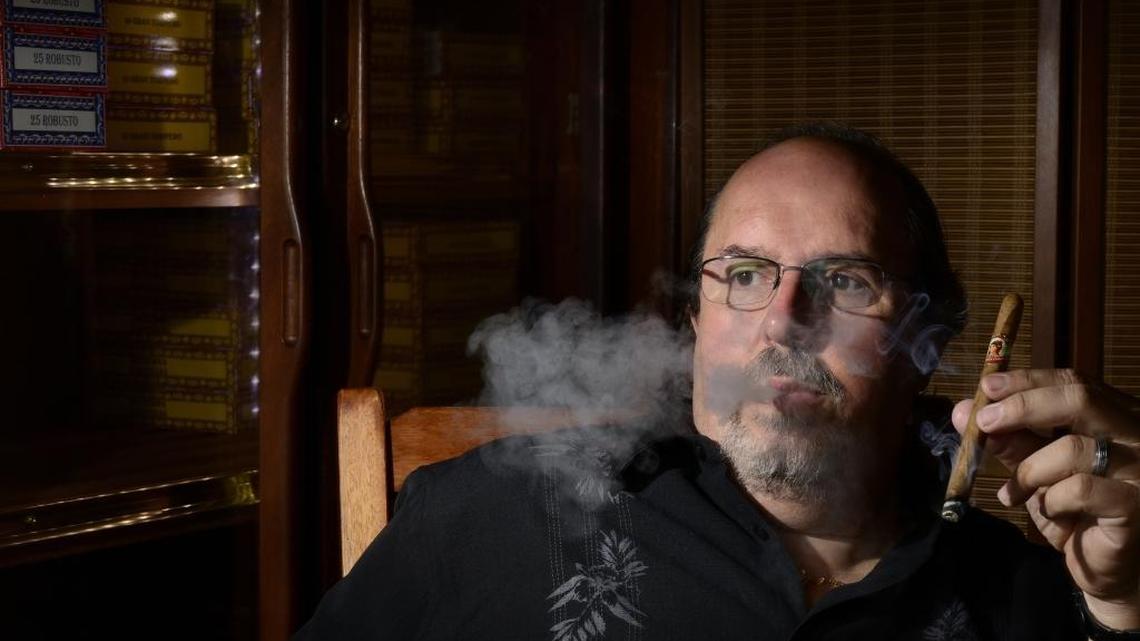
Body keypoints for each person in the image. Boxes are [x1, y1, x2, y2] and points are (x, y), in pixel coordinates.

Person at [295, 124, 1140, 640]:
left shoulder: (1043, 590)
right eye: (743, 273)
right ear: (697, 321)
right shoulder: (486, 514)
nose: (781, 320)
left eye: (846, 281)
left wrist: (1126, 603)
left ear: (928, 338)